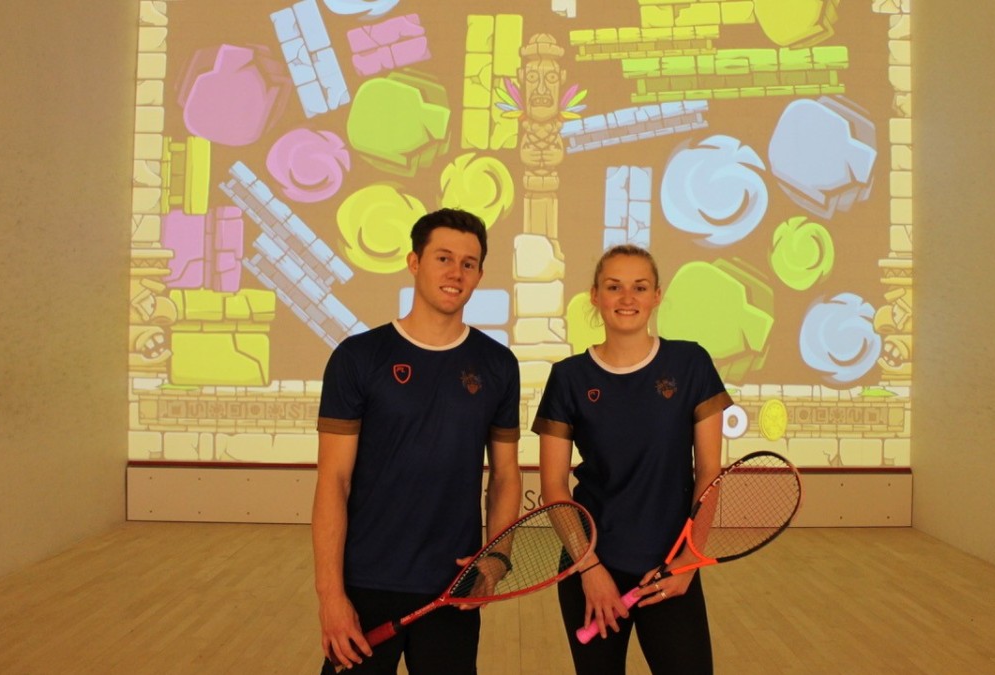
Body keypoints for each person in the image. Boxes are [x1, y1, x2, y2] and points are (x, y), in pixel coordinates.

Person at [313, 208, 522, 674]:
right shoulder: (358, 358)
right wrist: (331, 596)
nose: (456, 272)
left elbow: (506, 476)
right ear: (414, 262)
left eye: (469, 263)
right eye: (443, 258)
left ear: (480, 274)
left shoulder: (498, 365)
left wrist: (496, 560)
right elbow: (334, 481)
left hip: (454, 587)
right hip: (366, 584)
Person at [532, 245, 731, 675]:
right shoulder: (568, 378)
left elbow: (710, 473)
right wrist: (589, 569)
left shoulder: (690, 362)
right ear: (595, 296)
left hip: (671, 570)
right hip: (591, 568)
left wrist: (689, 560)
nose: (627, 298)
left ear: (657, 295)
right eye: (614, 287)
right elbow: (553, 488)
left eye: (639, 287)